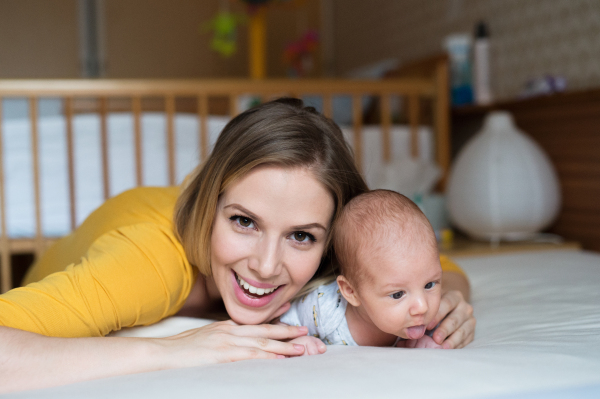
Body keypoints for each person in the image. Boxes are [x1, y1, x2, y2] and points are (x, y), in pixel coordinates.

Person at [0, 99, 474, 393]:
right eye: (244, 221)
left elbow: (439, 266)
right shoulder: (147, 263)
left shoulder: (339, 251)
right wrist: (173, 350)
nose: (267, 266)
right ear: (211, 206)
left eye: (301, 236)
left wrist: (446, 301)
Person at [280, 190, 454, 353]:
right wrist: (295, 339)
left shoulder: (429, 319)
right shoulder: (323, 309)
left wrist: (424, 340)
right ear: (351, 291)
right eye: (397, 294)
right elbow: (281, 322)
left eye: (429, 284)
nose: (422, 306)